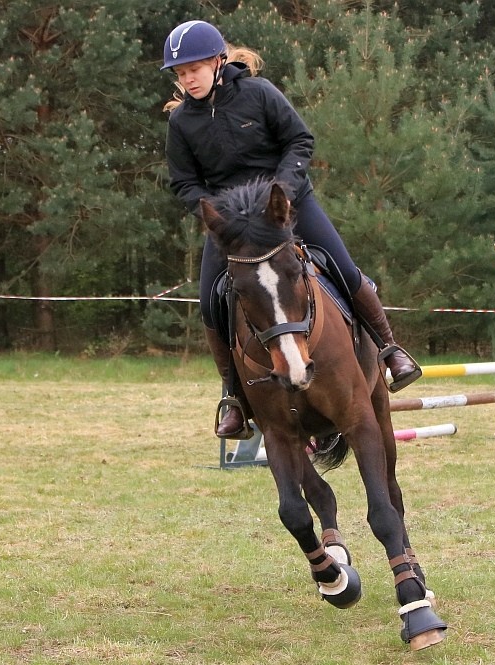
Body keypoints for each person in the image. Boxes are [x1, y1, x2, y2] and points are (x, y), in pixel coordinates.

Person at [161, 19, 421, 439]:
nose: (187, 79)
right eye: (180, 72)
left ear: (217, 61)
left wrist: (282, 192)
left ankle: (391, 351)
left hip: (288, 208)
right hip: (233, 227)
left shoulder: (260, 94)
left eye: (194, 69)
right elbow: (184, 183)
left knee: (343, 269)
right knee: (211, 303)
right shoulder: (182, 124)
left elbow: (299, 141)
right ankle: (234, 397)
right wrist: (214, 214)